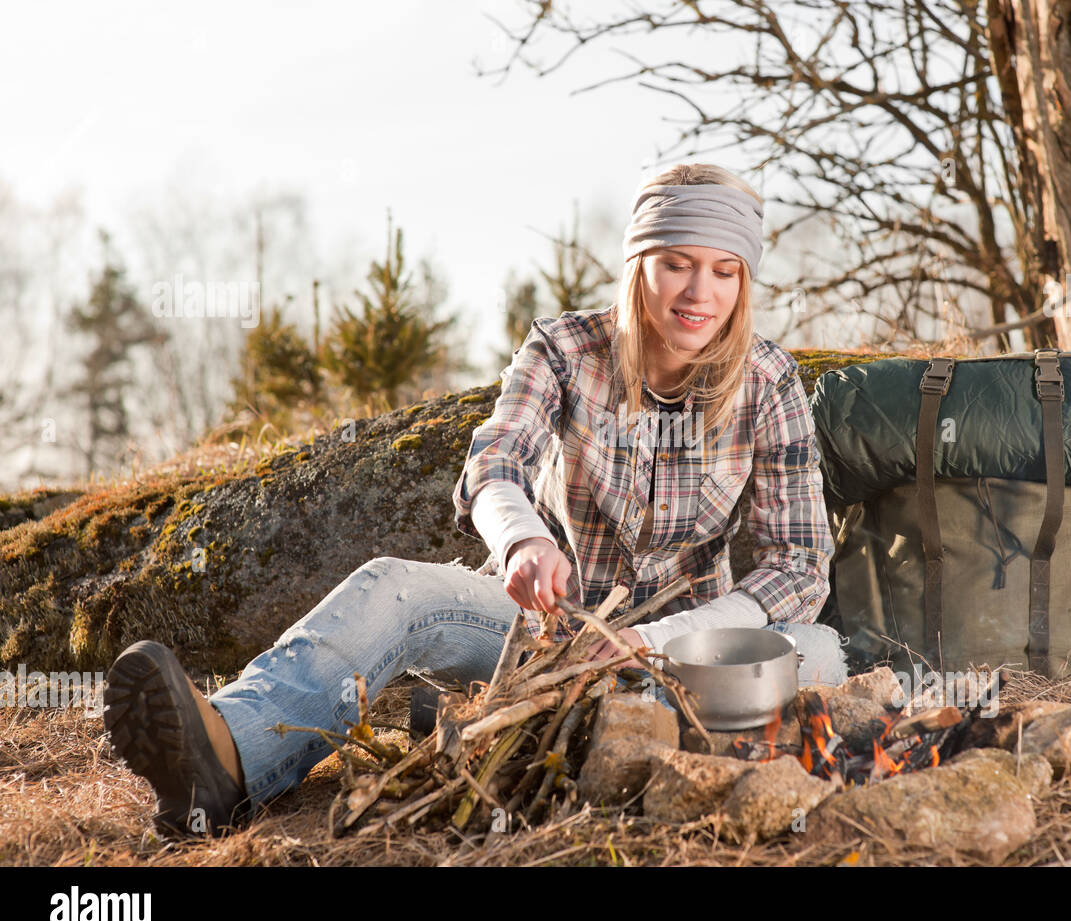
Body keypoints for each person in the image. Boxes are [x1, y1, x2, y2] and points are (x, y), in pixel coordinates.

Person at [103, 162, 847, 838]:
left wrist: (655, 640)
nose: (699, 293)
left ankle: (494, 717)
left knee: (824, 658)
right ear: (637, 266)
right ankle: (228, 756)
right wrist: (523, 541)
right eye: (677, 264)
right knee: (395, 586)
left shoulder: (768, 381)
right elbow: (494, 464)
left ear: (744, 281)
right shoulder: (563, 349)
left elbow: (799, 565)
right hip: (544, 632)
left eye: (723, 271)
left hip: (690, 653)